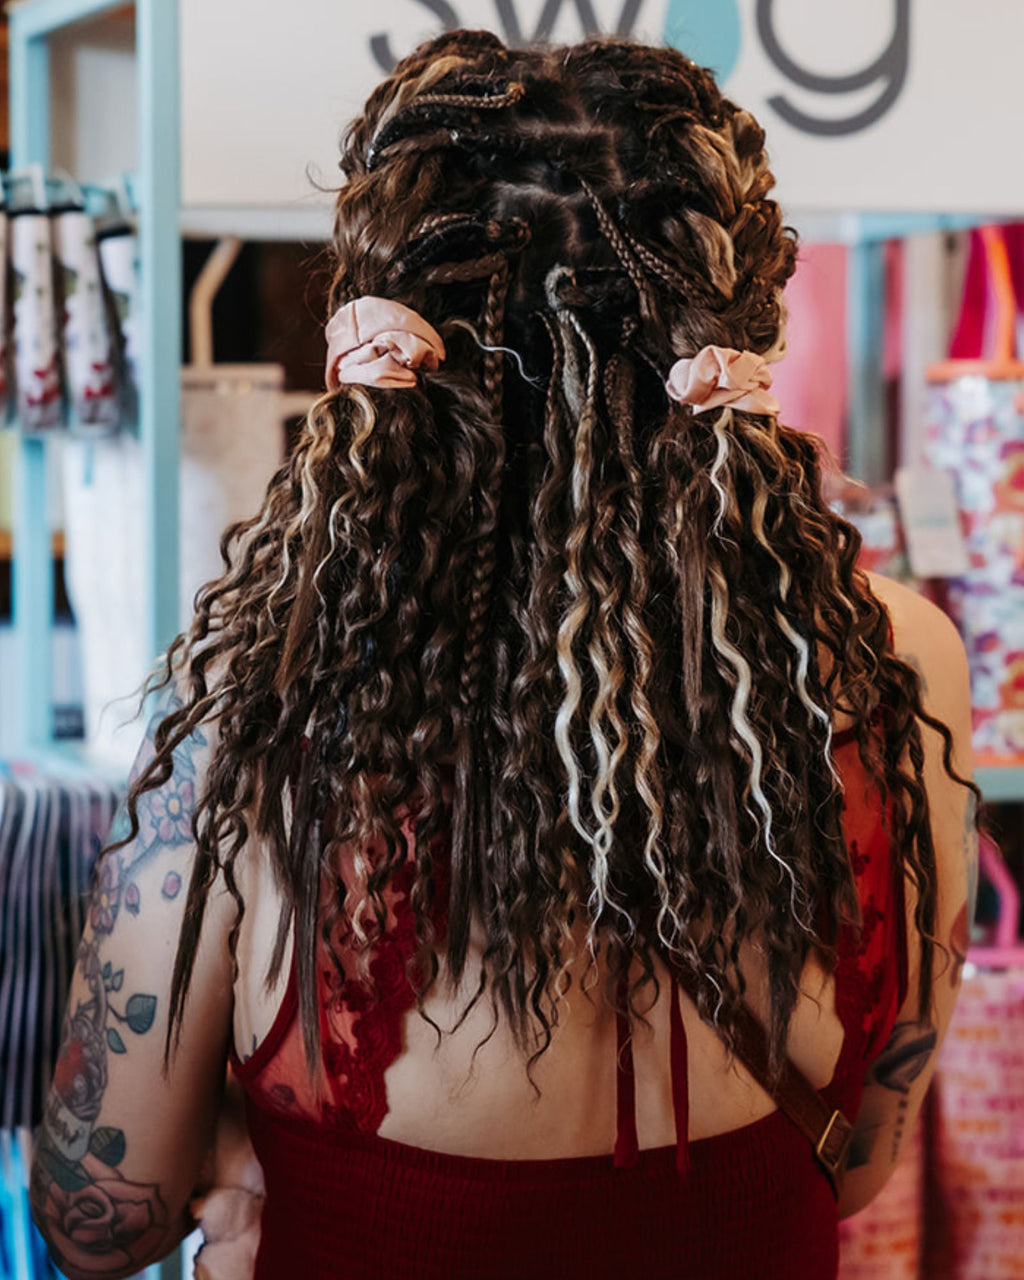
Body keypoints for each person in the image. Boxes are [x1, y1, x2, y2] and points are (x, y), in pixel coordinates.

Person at [30, 30, 976, 1280]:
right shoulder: (890, 659)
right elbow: (851, 1166)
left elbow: (97, 1214)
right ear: (731, 316)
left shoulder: (270, 696)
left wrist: (223, 1162)